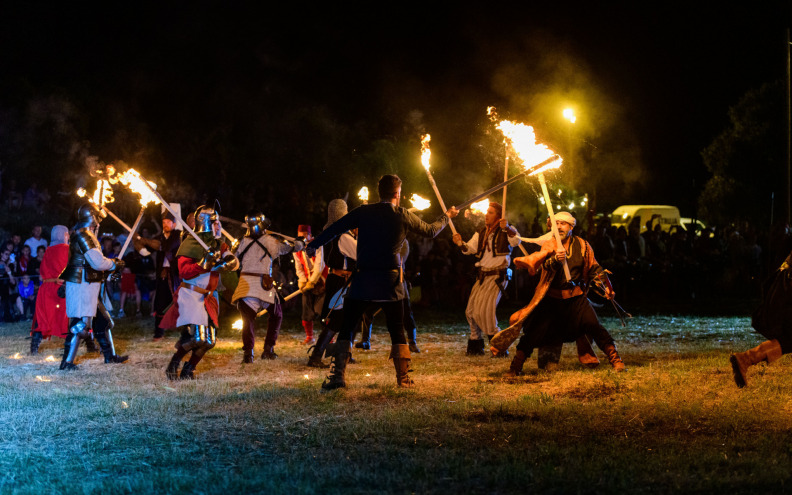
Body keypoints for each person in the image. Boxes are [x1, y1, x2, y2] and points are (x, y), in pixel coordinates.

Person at [307, 174, 458, 389]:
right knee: (396, 328)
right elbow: (432, 231)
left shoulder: (363, 212)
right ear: (397, 194)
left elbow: (334, 228)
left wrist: (314, 244)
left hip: (363, 280)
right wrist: (447, 216)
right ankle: (403, 379)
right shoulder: (403, 214)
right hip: (390, 281)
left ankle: (338, 376)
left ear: (380, 193)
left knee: (348, 327)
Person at [506, 211, 626, 376]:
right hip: (552, 300)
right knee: (534, 332)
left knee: (594, 326)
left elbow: (594, 269)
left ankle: (616, 360)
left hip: (576, 299)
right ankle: (516, 365)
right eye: (557, 224)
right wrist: (555, 260)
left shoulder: (583, 245)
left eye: (563, 224)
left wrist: (606, 287)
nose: (560, 227)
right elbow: (544, 266)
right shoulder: (550, 244)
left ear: (571, 226)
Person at [160, 205, 239, 379]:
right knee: (198, 339)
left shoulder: (218, 244)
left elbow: (232, 262)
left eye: (218, 222)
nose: (219, 226)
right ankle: (173, 364)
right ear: (205, 222)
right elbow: (184, 272)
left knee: (210, 342)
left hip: (210, 296)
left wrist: (228, 262)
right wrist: (204, 262)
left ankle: (188, 370)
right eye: (215, 222)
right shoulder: (191, 243)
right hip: (192, 295)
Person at [59, 203, 126, 370]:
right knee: (80, 327)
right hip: (81, 285)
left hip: (90, 285)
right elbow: (96, 262)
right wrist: (113, 264)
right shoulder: (83, 236)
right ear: (93, 218)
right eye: (98, 217)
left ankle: (110, 357)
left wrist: (111, 267)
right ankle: (66, 363)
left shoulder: (88, 235)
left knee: (104, 322)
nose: (99, 221)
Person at [232, 211, 304, 363]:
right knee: (276, 314)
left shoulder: (240, 242)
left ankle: (249, 354)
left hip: (247, 285)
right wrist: (301, 242)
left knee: (248, 320)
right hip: (262, 285)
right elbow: (291, 247)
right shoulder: (271, 241)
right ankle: (268, 349)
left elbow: (231, 260)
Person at [452, 202, 520, 356]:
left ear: (498, 216)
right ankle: (475, 344)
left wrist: (507, 228)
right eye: (486, 212)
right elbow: (469, 249)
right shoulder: (482, 232)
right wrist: (460, 243)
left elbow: (516, 241)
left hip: (498, 276)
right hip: (482, 275)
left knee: (486, 312)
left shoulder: (507, 230)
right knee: (470, 311)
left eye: (490, 212)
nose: (486, 215)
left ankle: (499, 347)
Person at [306, 199, 357, 368]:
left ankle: (344, 353)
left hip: (341, 280)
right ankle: (316, 356)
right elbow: (361, 253)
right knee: (336, 320)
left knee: (350, 319)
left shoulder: (330, 234)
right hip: (341, 281)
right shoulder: (343, 236)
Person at [730, 250, 792, 387]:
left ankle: (746, 358)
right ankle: (746, 358)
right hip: (787, 286)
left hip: (784, 284)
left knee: (789, 338)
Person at [134, 209, 182, 339]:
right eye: (163, 222)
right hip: (162, 276)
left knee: (179, 302)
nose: (165, 224)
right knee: (160, 303)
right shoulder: (160, 237)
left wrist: (144, 239)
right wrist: (137, 239)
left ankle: (185, 330)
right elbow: (144, 250)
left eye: (168, 222)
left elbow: (164, 247)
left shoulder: (178, 235)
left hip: (175, 275)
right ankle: (159, 332)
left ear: (174, 224)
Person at [30, 225, 69, 355]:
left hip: (45, 289)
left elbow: (42, 272)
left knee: (44, 318)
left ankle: (34, 348)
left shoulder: (47, 250)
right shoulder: (67, 250)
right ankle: (70, 347)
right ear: (64, 235)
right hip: (60, 289)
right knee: (66, 317)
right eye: (67, 234)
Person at [293, 224, 325, 345]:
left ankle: (328, 339)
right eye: (300, 236)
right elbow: (299, 267)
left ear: (310, 235)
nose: (303, 238)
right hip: (307, 282)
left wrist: (312, 281)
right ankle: (310, 337)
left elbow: (319, 264)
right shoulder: (296, 248)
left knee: (322, 311)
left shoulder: (318, 244)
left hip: (321, 281)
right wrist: (302, 281)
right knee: (306, 312)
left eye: (305, 236)